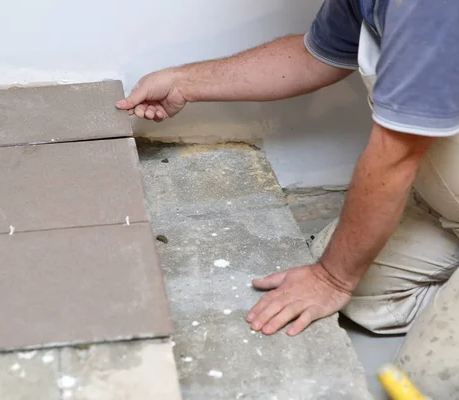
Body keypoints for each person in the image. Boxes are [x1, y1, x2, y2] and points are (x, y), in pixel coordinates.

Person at [116, 0, 459, 397]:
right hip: (445, 206)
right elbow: (314, 57)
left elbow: (395, 155)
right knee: (363, 297)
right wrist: (183, 81)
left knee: (430, 381)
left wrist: (332, 278)